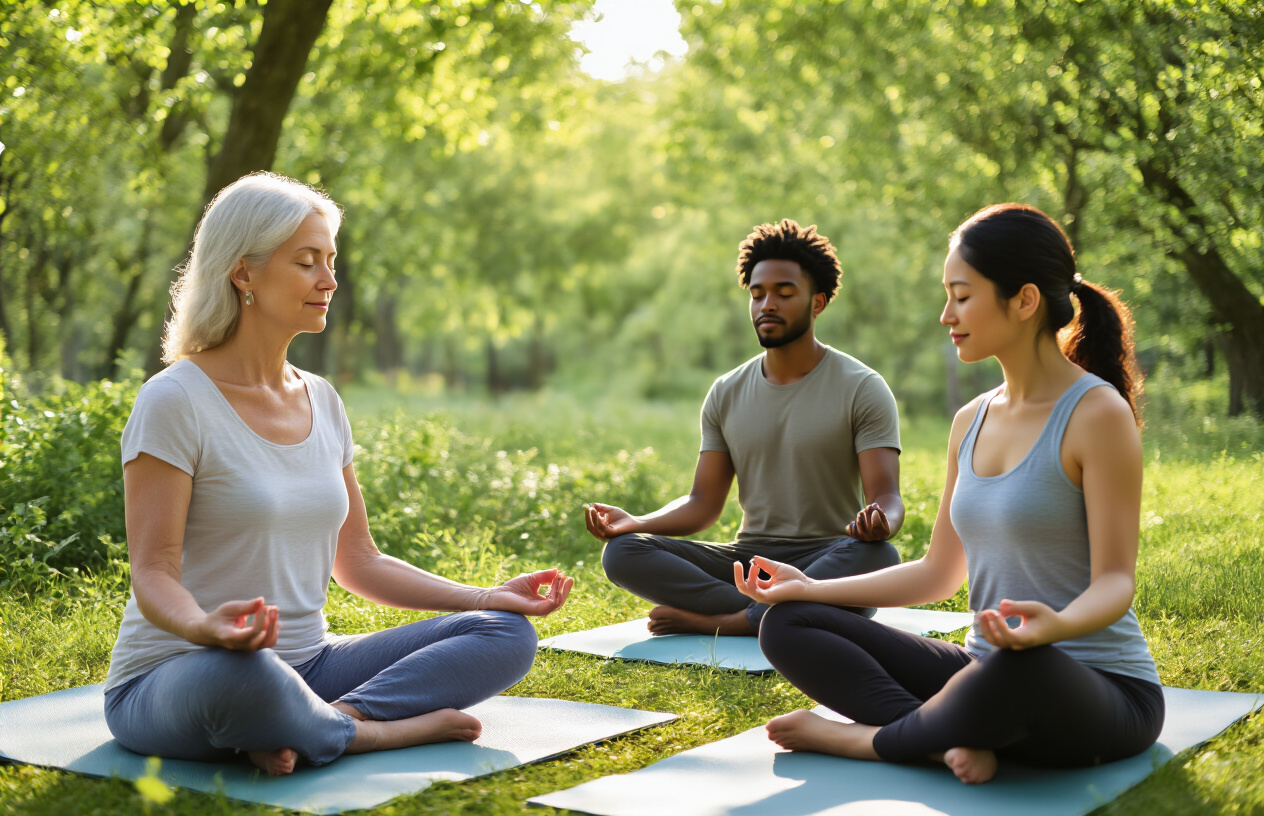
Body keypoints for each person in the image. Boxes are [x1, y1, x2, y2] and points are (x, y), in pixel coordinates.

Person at [103, 173, 572, 776]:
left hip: (312, 666)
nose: (328, 281)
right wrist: (204, 626)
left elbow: (359, 561)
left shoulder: (321, 399)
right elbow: (154, 570)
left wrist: (488, 596)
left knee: (504, 634)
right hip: (184, 671)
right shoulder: (174, 400)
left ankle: (331, 718)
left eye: (330, 261)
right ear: (243, 273)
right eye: (306, 262)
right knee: (249, 675)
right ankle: (371, 735)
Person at [735, 203, 1163, 784]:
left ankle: (871, 741)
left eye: (962, 296)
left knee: (1017, 671)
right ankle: (943, 741)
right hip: (984, 670)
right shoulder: (970, 419)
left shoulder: (1095, 414)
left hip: (1095, 687)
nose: (946, 314)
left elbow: (1116, 581)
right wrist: (813, 588)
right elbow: (940, 572)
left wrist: (1052, 629)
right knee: (789, 622)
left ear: (1025, 300)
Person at [586, 219, 904, 637]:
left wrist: (882, 520)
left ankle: (726, 621)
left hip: (828, 554)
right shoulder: (726, 392)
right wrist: (636, 522)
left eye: (784, 293)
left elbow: (887, 498)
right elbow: (703, 504)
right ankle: (784, 611)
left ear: (818, 303)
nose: (766, 304)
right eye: (757, 294)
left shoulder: (862, 387)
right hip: (748, 560)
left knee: (879, 557)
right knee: (623, 553)